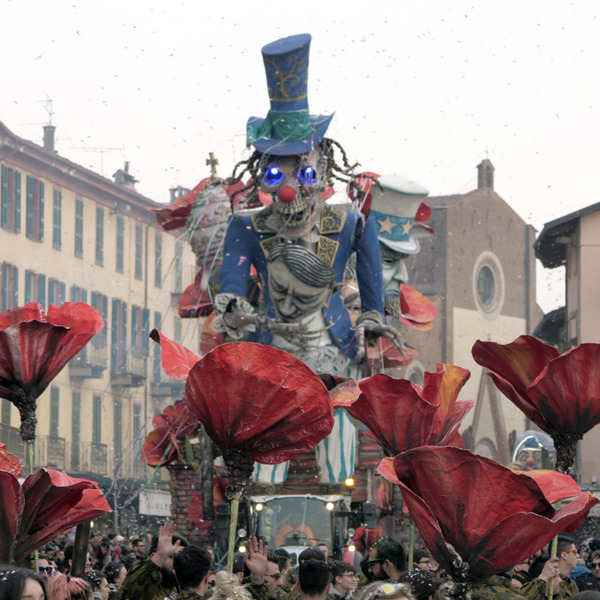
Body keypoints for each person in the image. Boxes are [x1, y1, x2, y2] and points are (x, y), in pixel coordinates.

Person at [117, 522, 186, 600]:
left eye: (181, 557)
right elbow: (130, 594)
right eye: (172, 556)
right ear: (153, 556)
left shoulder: (183, 586)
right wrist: (160, 556)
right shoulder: (144, 583)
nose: (177, 561)